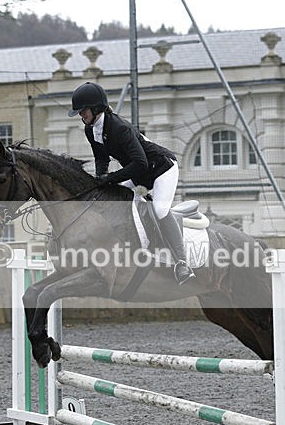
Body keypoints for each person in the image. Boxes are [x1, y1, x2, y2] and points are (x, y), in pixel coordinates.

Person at [68, 81, 195, 285]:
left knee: (160, 209)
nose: (81, 115)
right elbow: (102, 158)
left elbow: (140, 163)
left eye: (83, 111)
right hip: (138, 172)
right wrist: (101, 179)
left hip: (161, 168)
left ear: (96, 108)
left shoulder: (120, 128)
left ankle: (182, 262)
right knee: (107, 197)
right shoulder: (91, 130)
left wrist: (110, 178)